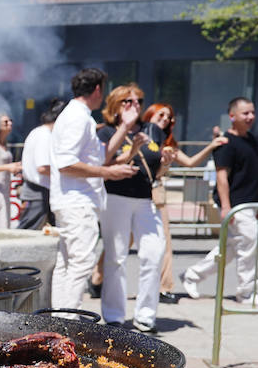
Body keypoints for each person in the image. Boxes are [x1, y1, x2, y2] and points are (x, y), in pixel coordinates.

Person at [49, 67, 138, 310]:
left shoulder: (77, 115)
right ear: (97, 89)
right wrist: (109, 173)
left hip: (73, 201)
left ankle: (60, 323)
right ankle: (66, 325)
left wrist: (125, 127)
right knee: (79, 264)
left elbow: (101, 156)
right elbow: (67, 163)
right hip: (77, 202)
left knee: (68, 264)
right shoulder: (78, 117)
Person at [95, 85, 165, 331]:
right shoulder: (105, 132)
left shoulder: (153, 129)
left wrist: (166, 164)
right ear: (115, 105)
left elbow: (156, 168)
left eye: (139, 100)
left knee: (154, 253)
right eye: (128, 101)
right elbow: (104, 162)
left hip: (146, 198)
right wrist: (125, 129)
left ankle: (146, 315)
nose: (135, 104)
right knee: (116, 256)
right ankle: (114, 315)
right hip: (116, 197)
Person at [143, 103, 227, 303]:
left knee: (164, 242)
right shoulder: (136, 134)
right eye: (161, 114)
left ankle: (164, 287)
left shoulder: (168, 143)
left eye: (169, 116)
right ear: (150, 114)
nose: (166, 118)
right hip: (131, 193)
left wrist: (211, 146)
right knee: (121, 242)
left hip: (155, 193)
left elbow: (189, 163)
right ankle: (98, 278)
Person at [181, 97, 258, 303]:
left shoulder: (252, 140)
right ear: (232, 116)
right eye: (245, 113)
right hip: (236, 204)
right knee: (249, 245)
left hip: (251, 204)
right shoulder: (226, 143)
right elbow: (221, 177)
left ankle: (192, 275)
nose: (250, 117)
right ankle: (246, 293)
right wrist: (225, 206)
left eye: (252, 112)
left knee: (230, 250)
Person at [17, 101, 63, 231]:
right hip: (38, 192)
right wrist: (65, 172)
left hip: (40, 191)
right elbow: (43, 167)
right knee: (28, 231)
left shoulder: (39, 133)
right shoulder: (44, 135)